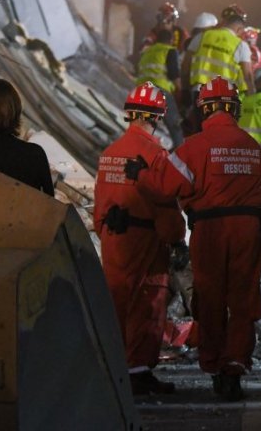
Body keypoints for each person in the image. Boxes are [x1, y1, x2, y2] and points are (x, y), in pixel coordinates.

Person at [127, 76, 261, 402]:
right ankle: (235, 366)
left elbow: (166, 186)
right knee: (244, 300)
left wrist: (141, 175)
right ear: (235, 109)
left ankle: (216, 365)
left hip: (210, 229)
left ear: (204, 109)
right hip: (248, 228)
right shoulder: (251, 146)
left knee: (211, 297)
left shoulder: (193, 147)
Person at [93, 83, 185, 395]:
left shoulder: (110, 153)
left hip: (113, 238)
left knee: (116, 301)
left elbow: (100, 202)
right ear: (158, 117)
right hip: (146, 239)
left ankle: (115, 369)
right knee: (148, 303)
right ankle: (138, 371)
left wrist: (104, 232)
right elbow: (165, 202)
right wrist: (177, 239)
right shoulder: (156, 154)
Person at [188, 4, 255, 97]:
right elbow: (247, 76)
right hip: (224, 95)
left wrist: (185, 90)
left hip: (200, 90)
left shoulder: (203, 36)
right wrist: (252, 97)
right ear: (240, 28)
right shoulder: (240, 45)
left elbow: (186, 65)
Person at [136, 26, 184, 147]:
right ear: (171, 40)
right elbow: (174, 75)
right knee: (175, 127)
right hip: (160, 92)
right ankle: (180, 156)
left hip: (142, 93)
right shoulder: (169, 51)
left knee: (144, 127)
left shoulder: (147, 51)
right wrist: (181, 92)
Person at [181, 12, 219, 104]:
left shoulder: (197, 39)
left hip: (198, 88)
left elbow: (185, 67)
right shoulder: (222, 41)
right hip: (218, 91)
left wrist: (185, 89)